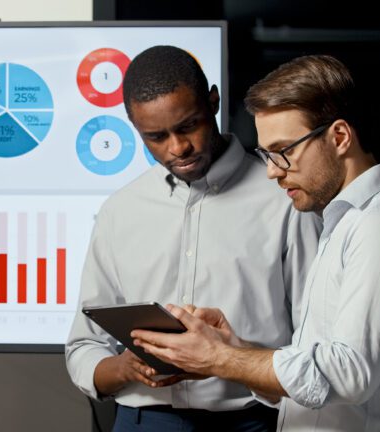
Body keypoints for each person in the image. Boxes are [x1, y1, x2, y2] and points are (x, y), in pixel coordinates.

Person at [132, 55, 380, 431]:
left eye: (284, 151)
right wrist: (235, 350)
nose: (271, 171)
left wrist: (219, 359)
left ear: (340, 137)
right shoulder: (342, 224)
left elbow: (347, 375)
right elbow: (314, 379)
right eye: (266, 154)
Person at [65, 45, 321, 431]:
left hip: (251, 421)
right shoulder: (121, 210)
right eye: (156, 136)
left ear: (213, 102)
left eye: (188, 126)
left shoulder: (285, 200)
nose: (177, 148)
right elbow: (84, 347)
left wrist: (234, 359)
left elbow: (314, 337)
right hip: (141, 419)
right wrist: (123, 367)